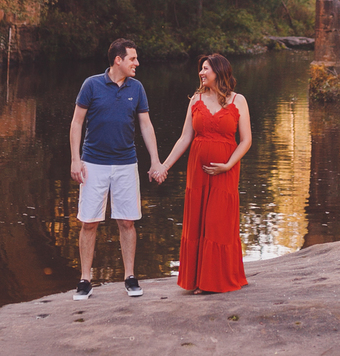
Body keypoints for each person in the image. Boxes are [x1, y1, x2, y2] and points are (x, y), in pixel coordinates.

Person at [69, 38, 166, 300]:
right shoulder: (91, 85)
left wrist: (155, 160)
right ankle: (85, 279)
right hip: (93, 163)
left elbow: (146, 126)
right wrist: (75, 159)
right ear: (118, 60)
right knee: (89, 222)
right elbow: (77, 123)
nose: (137, 63)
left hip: (126, 163)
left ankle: (130, 277)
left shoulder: (137, 88)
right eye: (133, 58)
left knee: (127, 221)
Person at [157, 53, 251, 294]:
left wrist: (228, 165)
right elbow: (185, 138)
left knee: (217, 223)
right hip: (197, 172)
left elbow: (246, 140)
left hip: (225, 172)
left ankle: (215, 280)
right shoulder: (196, 99)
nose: (201, 73)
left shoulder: (238, 100)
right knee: (199, 222)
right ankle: (199, 280)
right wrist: (164, 166)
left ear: (219, 72)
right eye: (201, 69)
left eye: (206, 69)